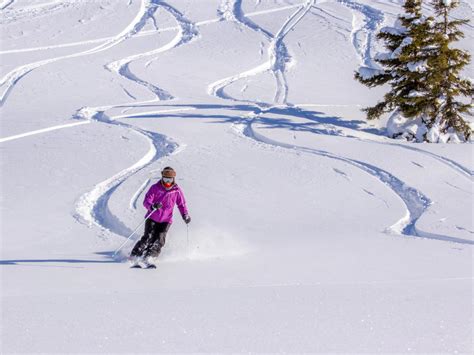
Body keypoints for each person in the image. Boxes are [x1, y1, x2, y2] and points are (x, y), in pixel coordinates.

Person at [129, 167, 191, 268]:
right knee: (148, 237)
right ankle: (135, 255)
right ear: (162, 177)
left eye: (169, 179)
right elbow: (146, 201)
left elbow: (181, 204)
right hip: (152, 217)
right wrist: (152, 206)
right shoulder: (155, 188)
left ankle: (150, 257)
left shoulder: (176, 191)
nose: (167, 182)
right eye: (165, 179)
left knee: (160, 239)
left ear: (173, 179)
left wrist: (185, 215)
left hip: (166, 220)